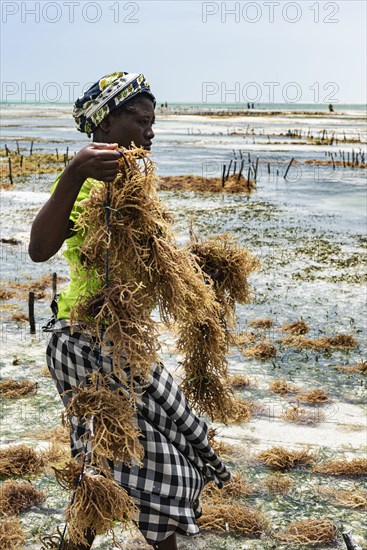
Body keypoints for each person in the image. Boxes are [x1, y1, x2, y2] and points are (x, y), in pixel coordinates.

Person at [29, 71, 231, 550]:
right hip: (84, 342)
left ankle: (78, 541)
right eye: (140, 120)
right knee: (148, 463)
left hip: (126, 343)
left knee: (117, 458)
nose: (150, 131)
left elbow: (148, 261)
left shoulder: (133, 186)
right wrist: (74, 171)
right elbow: (39, 249)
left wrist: (196, 269)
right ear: (106, 123)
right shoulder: (86, 182)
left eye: (152, 121)